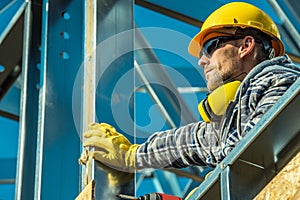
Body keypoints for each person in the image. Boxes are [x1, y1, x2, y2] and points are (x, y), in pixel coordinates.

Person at [80, 1, 300, 187]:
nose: (202, 61)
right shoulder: (236, 116)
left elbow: (250, 150)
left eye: (211, 47)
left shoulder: (282, 82)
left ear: (245, 46)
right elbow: (187, 142)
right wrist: (132, 156)